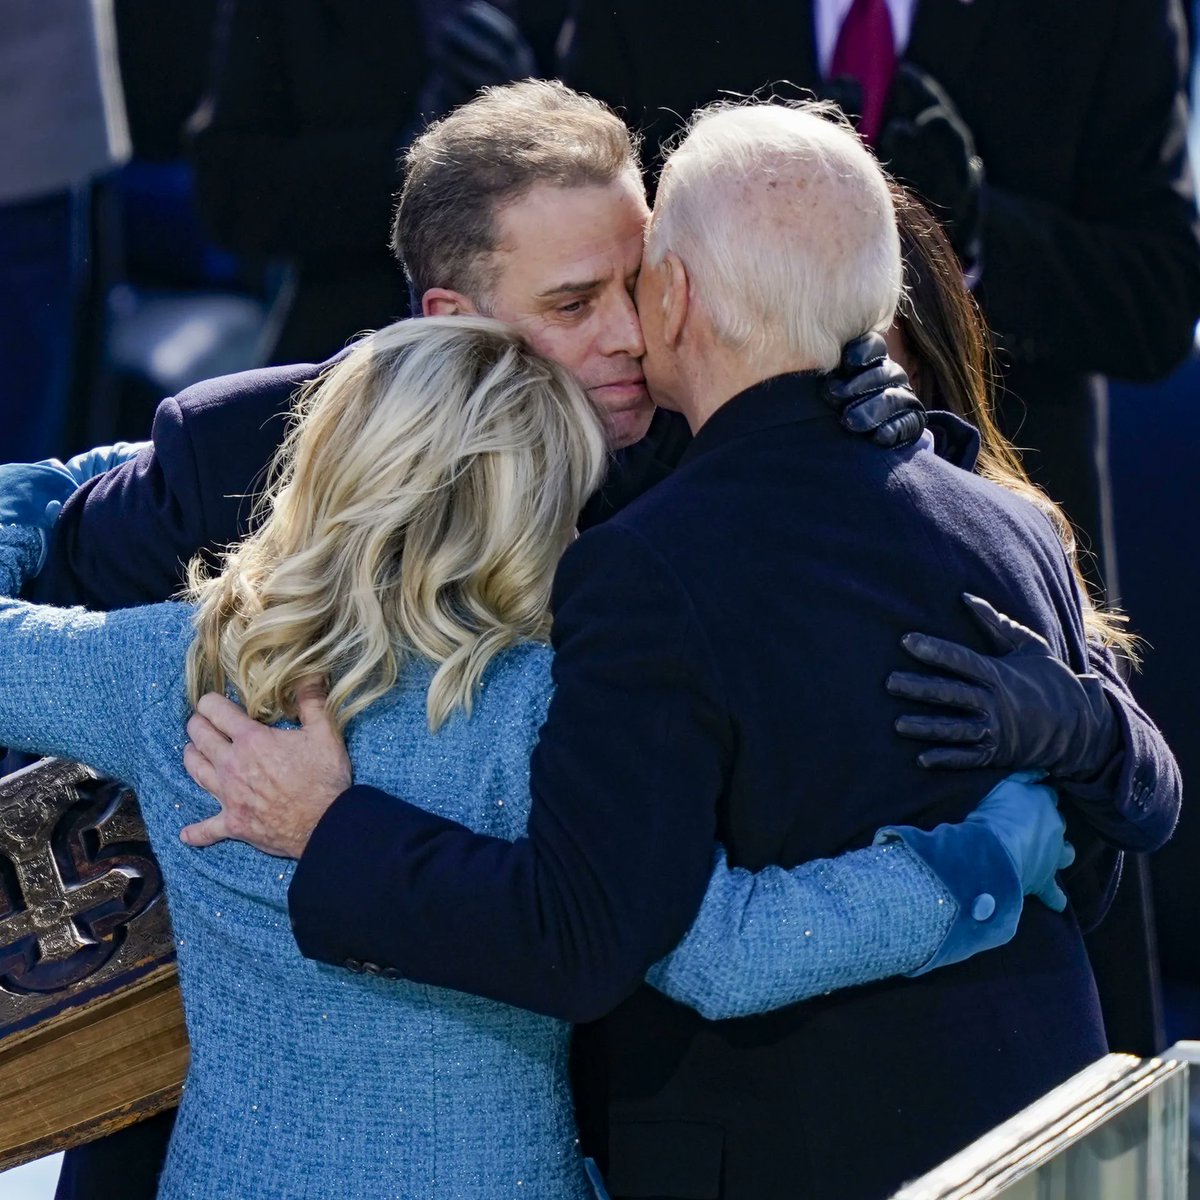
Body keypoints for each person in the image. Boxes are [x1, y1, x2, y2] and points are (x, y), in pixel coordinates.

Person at [0, 82, 1175, 1197]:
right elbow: (691, 941)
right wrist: (66, 486)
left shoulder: (722, 438)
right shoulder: (241, 456)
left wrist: (888, 449)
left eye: (640, 282)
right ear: (453, 321)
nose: (630, 335)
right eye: (572, 305)